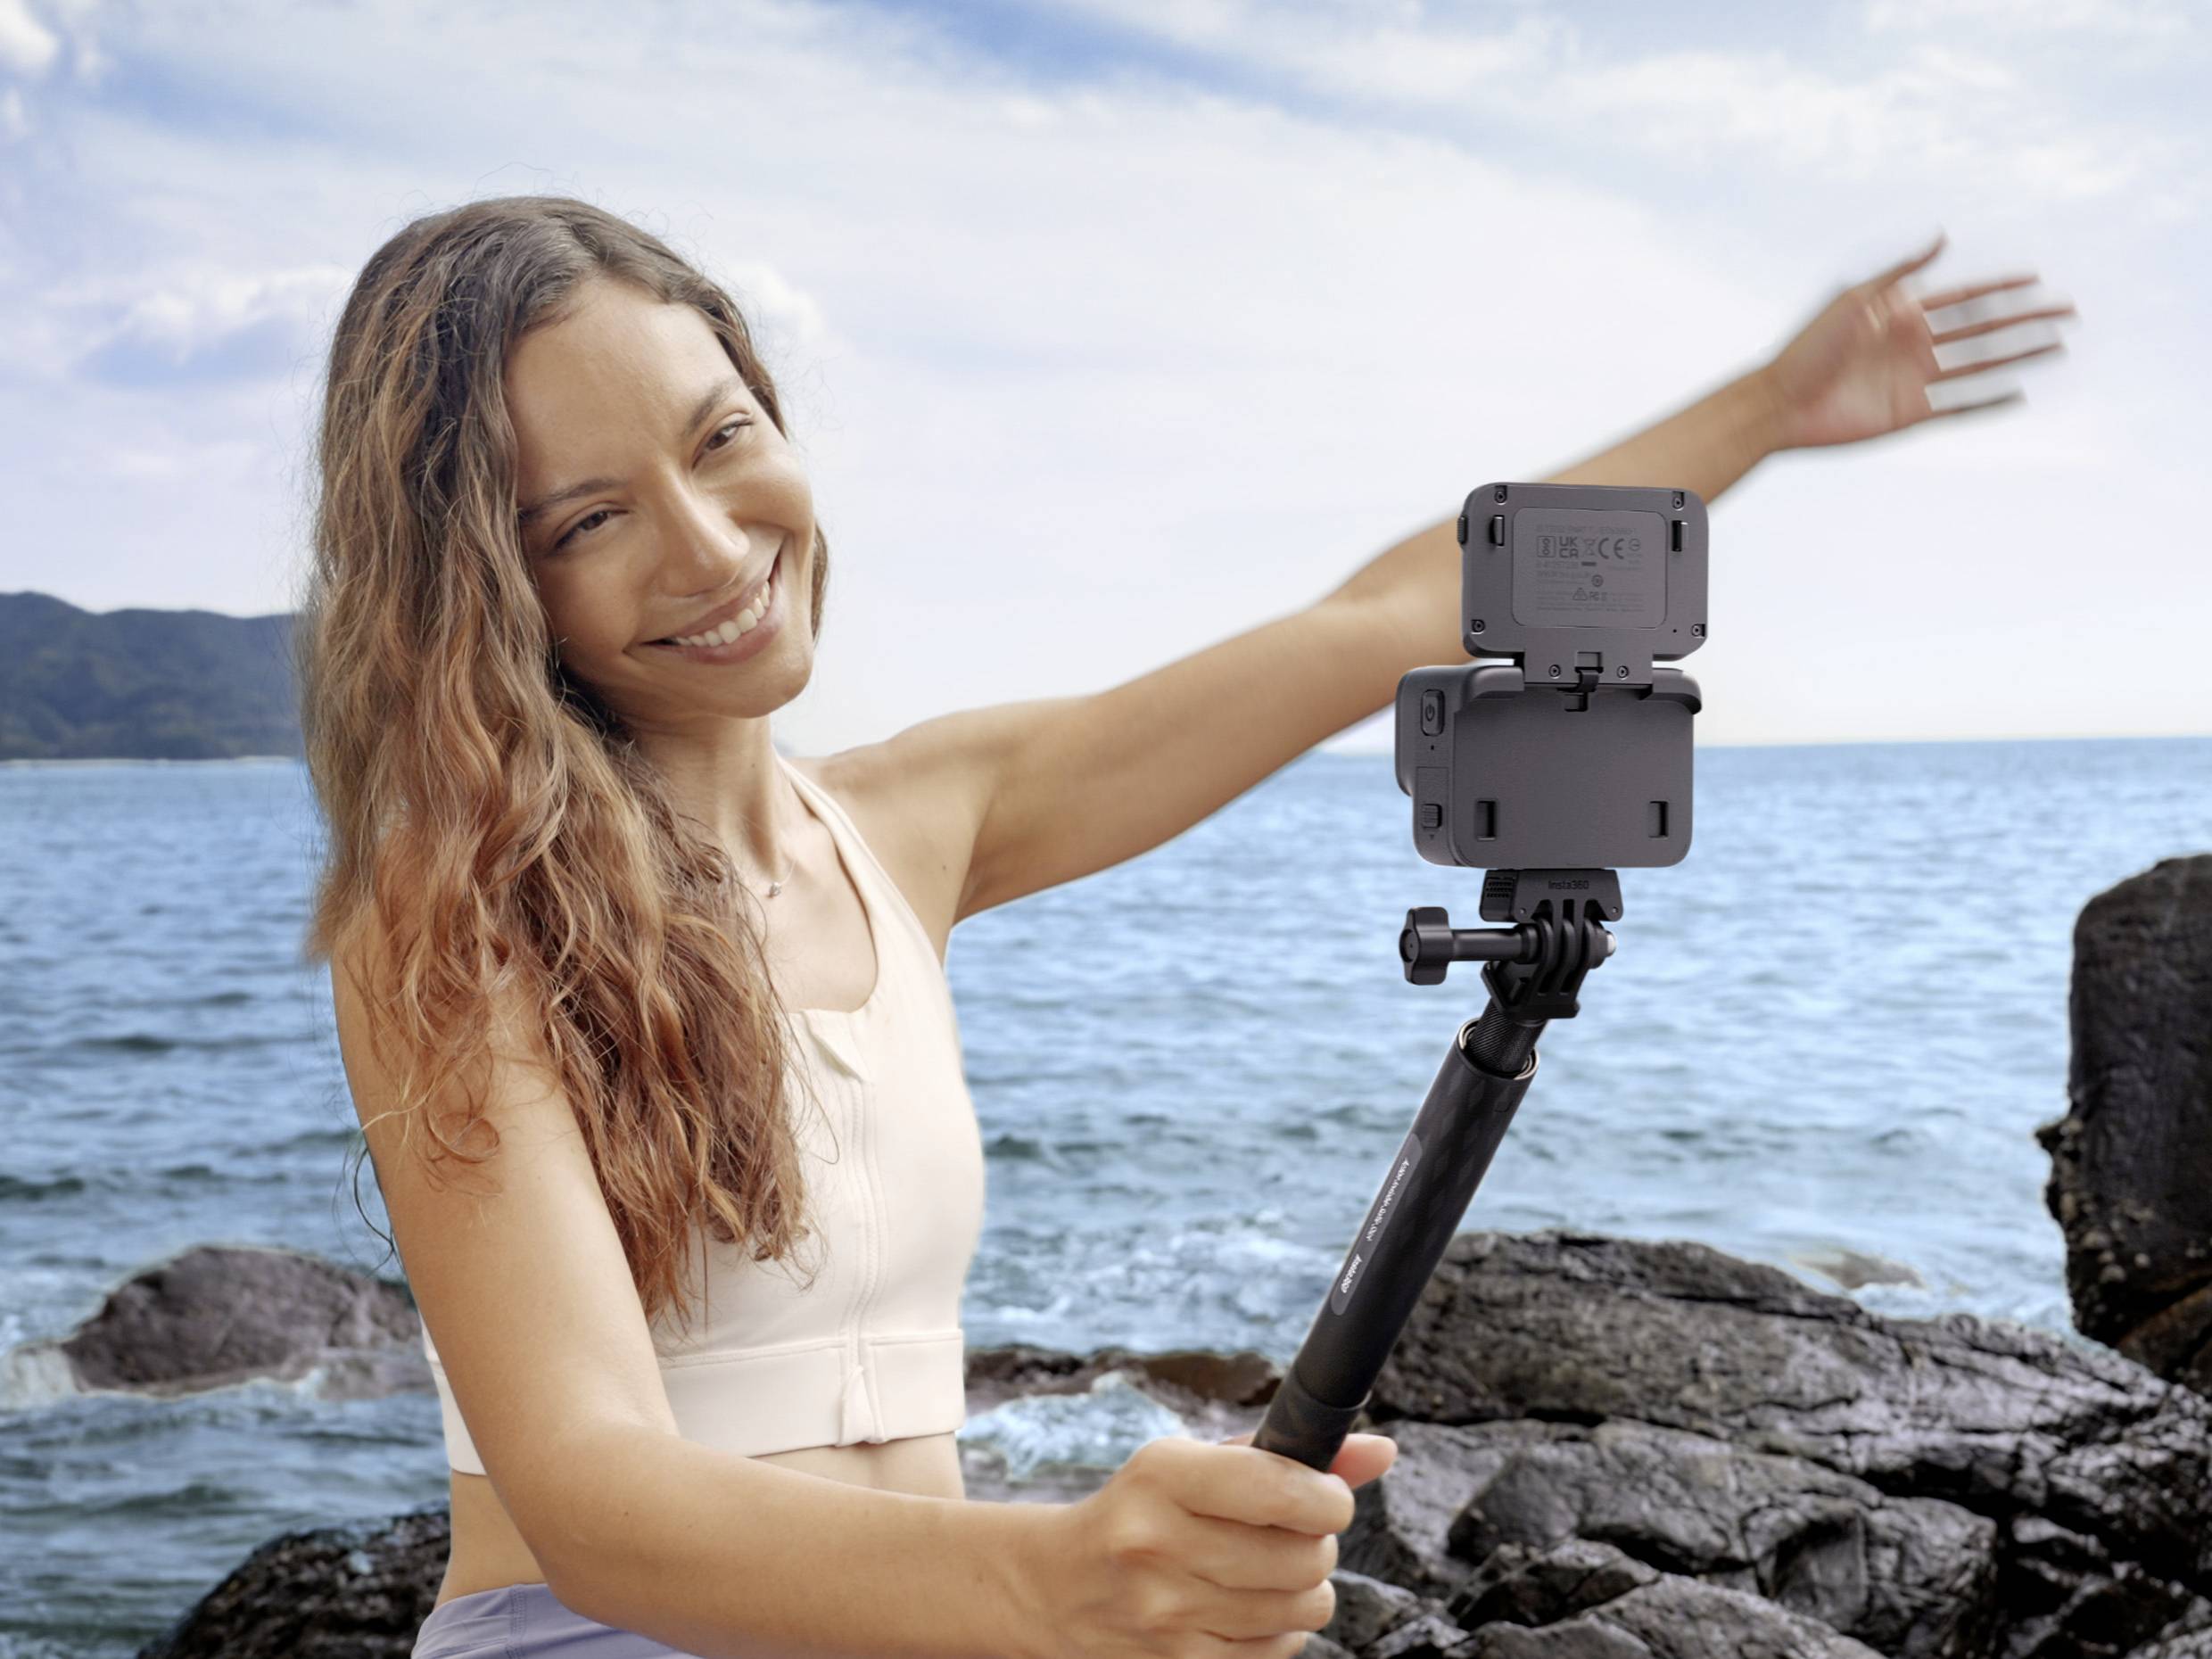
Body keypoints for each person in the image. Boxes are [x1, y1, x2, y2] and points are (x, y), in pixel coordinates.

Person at [296, 197, 2072, 1659]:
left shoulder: (916, 822)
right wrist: (1064, 1575)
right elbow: (591, 1494)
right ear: (484, 584)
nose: (704, 546)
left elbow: (1378, 610)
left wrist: (1765, 405)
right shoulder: (451, 911)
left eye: (721, 439)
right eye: (588, 519)